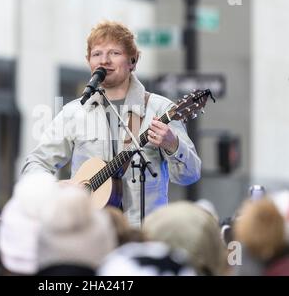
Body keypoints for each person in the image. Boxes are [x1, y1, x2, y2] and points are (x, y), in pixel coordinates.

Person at [21, 20, 201, 226]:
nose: (104, 60)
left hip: (144, 234)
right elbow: (35, 164)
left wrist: (172, 144)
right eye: (97, 54)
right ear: (88, 61)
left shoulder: (160, 109)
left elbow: (190, 175)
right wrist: (57, 192)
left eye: (114, 53)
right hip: (88, 233)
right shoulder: (74, 112)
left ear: (132, 61)